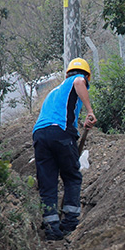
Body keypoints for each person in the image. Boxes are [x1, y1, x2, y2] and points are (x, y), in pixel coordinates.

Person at [32, 57, 96, 240]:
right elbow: (78, 81)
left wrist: (80, 123)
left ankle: (52, 227)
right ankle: (69, 224)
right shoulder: (77, 80)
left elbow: (61, 111)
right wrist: (90, 110)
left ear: (67, 72)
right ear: (86, 75)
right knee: (72, 176)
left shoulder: (55, 91)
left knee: (48, 182)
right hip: (60, 132)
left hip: (39, 135)